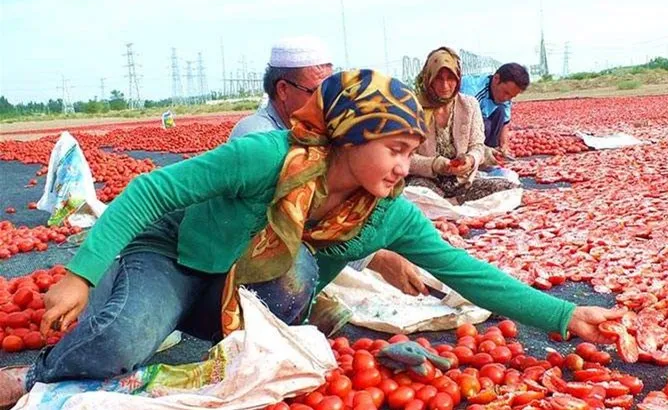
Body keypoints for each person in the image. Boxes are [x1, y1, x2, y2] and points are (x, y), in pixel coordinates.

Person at [0, 70, 623, 409]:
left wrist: (567, 315)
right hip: (177, 255)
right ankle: (36, 382)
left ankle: (198, 338)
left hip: (242, 287)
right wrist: (80, 272)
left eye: (412, 153)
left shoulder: (389, 215)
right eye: (396, 150)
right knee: (119, 340)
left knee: (298, 271)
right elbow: (147, 193)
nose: (406, 167)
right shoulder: (266, 156)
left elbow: (469, 274)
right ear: (351, 137)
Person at [229, 37, 423, 295]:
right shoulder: (258, 136)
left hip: (295, 249)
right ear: (284, 90)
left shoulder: (315, 133)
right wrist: (375, 258)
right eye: (318, 91)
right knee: (304, 272)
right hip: (248, 255)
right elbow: (293, 222)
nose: (331, 98)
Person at [407, 47, 518, 203]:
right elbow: (403, 158)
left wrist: (471, 160)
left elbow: (477, 146)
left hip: (461, 181)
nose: (445, 85)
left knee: (510, 189)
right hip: (426, 180)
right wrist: (435, 164)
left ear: (458, 78)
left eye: (450, 78)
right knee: (415, 195)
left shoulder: (469, 105)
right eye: (438, 78)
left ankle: (451, 202)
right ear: (428, 78)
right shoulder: (413, 108)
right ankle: (451, 203)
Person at [460, 63, 530, 160]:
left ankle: (491, 152)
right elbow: (463, 125)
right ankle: (476, 155)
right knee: (486, 124)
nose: (507, 98)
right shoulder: (472, 91)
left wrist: (504, 145)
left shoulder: (505, 97)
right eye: (506, 92)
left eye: (511, 96)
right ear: (496, 79)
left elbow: (505, 121)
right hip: (460, 126)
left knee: (500, 110)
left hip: (477, 125)